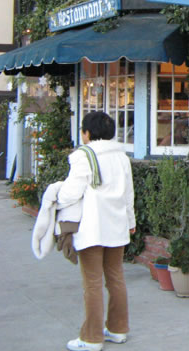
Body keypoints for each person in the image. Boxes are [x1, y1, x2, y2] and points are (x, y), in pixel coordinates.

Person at [57, 111, 135, 351]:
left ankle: (91, 338)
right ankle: (118, 329)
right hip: (117, 226)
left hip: (92, 228)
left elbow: (71, 193)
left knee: (92, 283)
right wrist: (131, 221)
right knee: (116, 278)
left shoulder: (83, 155)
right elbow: (129, 193)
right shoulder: (122, 156)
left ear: (87, 133)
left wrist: (55, 195)